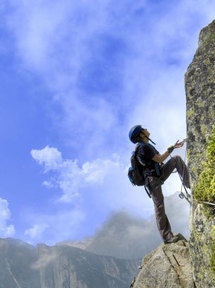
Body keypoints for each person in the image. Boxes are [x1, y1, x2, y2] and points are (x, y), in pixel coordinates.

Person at [128, 125, 191, 244]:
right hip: (152, 180)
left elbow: (159, 160)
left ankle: (190, 185)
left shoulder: (146, 146)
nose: (146, 128)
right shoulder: (143, 148)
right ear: (141, 134)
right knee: (159, 207)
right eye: (143, 129)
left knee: (176, 159)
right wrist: (171, 149)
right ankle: (167, 237)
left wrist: (173, 148)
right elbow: (159, 158)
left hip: (157, 175)